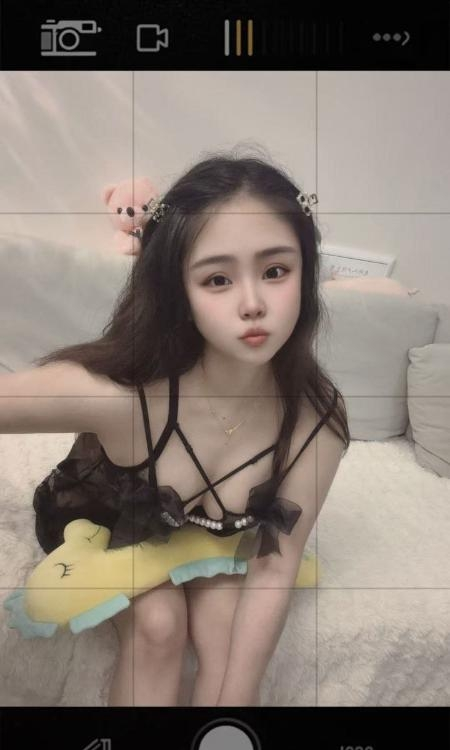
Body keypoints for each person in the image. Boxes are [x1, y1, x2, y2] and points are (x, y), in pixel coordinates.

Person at [0, 147, 350, 707]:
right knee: (160, 625)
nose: (253, 303)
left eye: (275, 271)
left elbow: (273, 571)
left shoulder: (316, 419)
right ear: (178, 292)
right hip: (104, 518)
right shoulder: (124, 396)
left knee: (226, 634)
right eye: (217, 279)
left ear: (306, 274)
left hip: (204, 532)